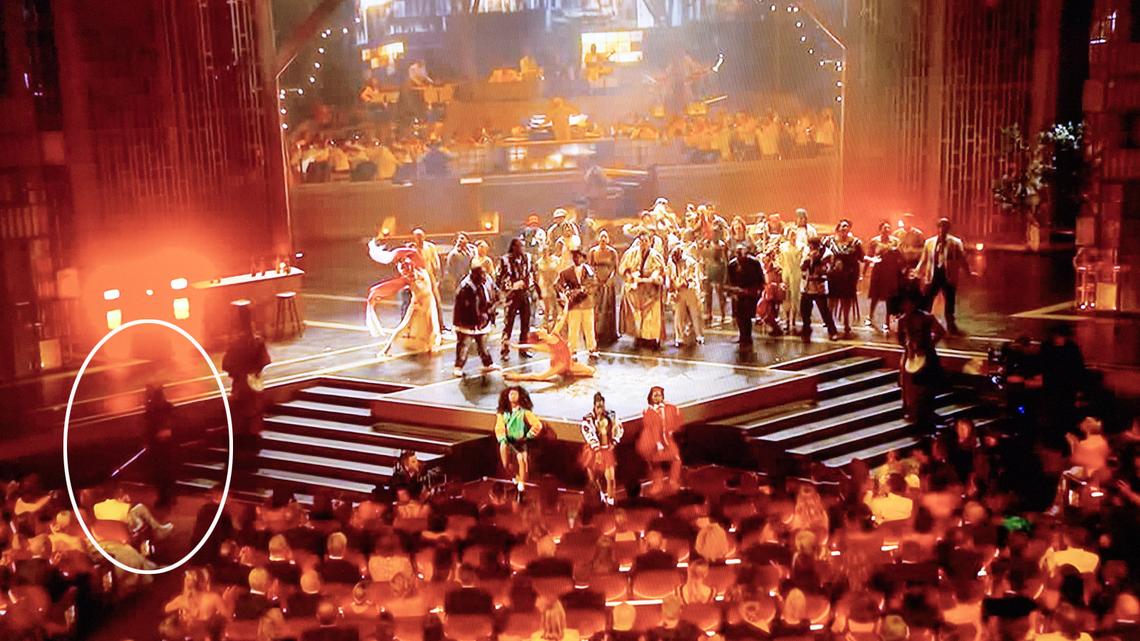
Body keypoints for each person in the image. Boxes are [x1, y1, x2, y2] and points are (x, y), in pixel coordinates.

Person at [366, 242, 441, 356]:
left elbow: (413, 255)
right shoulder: (408, 279)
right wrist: (375, 294)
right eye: (405, 268)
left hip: (429, 303)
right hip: (418, 304)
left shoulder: (422, 270)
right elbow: (389, 286)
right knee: (404, 326)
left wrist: (403, 254)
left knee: (430, 325)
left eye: (408, 265)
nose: (407, 268)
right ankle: (386, 350)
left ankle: (430, 345)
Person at [222, 303, 271, 473]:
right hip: (253, 383)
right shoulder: (257, 342)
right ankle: (251, 457)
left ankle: (240, 459)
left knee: (240, 420)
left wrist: (237, 371)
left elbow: (226, 364)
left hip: (241, 384)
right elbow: (265, 361)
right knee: (253, 417)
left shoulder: (236, 343)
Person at [896, 290, 946, 426]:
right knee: (909, 385)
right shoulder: (902, 320)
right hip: (911, 356)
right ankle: (912, 410)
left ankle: (926, 412)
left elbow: (941, 332)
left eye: (909, 303)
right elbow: (899, 338)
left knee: (927, 385)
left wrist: (929, 344)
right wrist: (908, 347)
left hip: (926, 356)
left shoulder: (926, 318)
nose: (907, 306)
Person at [914, 217, 968, 334]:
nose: (942, 229)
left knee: (949, 300)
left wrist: (968, 271)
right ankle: (925, 322)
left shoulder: (955, 242)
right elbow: (924, 259)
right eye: (941, 226)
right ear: (937, 228)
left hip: (948, 276)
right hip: (933, 275)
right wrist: (917, 272)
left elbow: (962, 259)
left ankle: (950, 324)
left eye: (945, 227)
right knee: (928, 299)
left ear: (948, 229)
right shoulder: (929, 242)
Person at [619, 229, 667, 349]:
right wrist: (630, 276)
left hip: (651, 290)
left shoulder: (655, 255)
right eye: (641, 241)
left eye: (646, 241)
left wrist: (652, 278)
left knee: (651, 316)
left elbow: (660, 271)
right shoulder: (631, 253)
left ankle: (651, 339)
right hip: (636, 290)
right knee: (637, 315)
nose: (643, 243)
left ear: (650, 242)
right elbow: (624, 268)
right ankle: (639, 336)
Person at [452, 260, 498, 378]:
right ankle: (458, 367)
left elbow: (493, 292)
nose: (484, 277)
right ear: (474, 275)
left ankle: (488, 364)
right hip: (467, 323)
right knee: (464, 346)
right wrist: (481, 316)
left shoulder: (487, 280)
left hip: (481, 322)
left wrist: (491, 309)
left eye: (485, 274)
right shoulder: (466, 288)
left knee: (483, 345)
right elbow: (467, 309)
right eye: (481, 275)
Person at [494, 386, 544, 493]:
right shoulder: (502, 413)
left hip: (520, 441)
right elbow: (499, 427)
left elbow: (537, 425)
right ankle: (516, 477)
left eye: (515, 394)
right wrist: (503, 439)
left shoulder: (524, 412)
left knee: (521, 459)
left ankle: (521, 484)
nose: (512, 396)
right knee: (506, 464)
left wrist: (528, 436)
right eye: (510, 394)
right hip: (507, 441)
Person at [579, 393, 623, 505]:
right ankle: (599, 499)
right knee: (593, 480)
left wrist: (614, 441)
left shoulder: (611, 415)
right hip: (593, 452)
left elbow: (619, 428)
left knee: (611, 479)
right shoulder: (587, 419)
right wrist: (596, 449)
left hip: (607, 450)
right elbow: (588, 434)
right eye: (598, 407)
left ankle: (611, 501)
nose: (600, 409)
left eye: (602, 406)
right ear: (594, 406)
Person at [504, 328, 596, 381]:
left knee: (591, 371)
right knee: (540, 377)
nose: (541, 328)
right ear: (540, 336)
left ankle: (568, 373)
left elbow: (562, 317)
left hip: (569, 363)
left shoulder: (555, 333)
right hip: (559, 365)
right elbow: (530, 346)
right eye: (539, 330)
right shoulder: (546, 346)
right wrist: (514, 346)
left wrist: (566, 303)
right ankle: (515, 376)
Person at [499, 238, 538, 360]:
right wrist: (512, 286)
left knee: (525, 322)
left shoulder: (527, 258)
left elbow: (532, 274)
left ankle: (523, 348)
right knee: (508, 322)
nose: (522, 249)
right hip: (512, 294)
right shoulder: (505, 260)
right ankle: (505, 349)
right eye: (520, 246)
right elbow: (499, 278)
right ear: (514, 247)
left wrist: (534, 289)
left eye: (523, 246)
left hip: (524, 293)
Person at [639, 386, 683, 491]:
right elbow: (650, 427)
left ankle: (673, 481)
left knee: (676, 459)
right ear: (650, 397)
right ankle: (657, 484)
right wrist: (658, 443)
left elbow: (678, 419)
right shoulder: (648, 412)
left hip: (667, 439)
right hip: (653, 441)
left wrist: (673, 429)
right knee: (655, 463)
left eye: (659, 395)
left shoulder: (670, 407)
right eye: (655, 395)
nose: (657, 397)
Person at [558, 249, 599, 360]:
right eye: (574, 257)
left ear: (583, 257)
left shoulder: (589, 270)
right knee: (573, 328)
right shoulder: (566, 272)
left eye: (579, 256)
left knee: (589, 327)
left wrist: (585, 290)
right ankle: (572, 351)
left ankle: (592, 349)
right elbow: (560, 284)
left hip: (587, 303)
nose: (576, 259)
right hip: (574, 304)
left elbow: (594, 284)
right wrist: (567, 292)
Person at [826, 219, 864, 336]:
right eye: (842, 226)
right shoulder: (830, 241)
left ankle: (846, 322)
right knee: (832, 299)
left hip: (849, 275)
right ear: (838, 228)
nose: (845, 228)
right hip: (834, 275)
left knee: (846, 299)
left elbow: (861, 257)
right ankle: (830, 321)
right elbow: (823, 255)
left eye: (847, 226)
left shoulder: (855, 243)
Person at [865, 221, 904, 335]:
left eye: (888, 228)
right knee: (875, 296)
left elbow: (900, 256)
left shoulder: (895, 241)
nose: (887, 230)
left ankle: (886, 322)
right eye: (884, 228)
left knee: (889, 298)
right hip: (878, 272)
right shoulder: (875, 241)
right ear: (880, 229)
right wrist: (864, 272)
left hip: (890, 273)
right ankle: (870, 317)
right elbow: (869, 255)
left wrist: (902, 271)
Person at [725, 243, 766, 349]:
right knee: (739, 315)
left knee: (747, 315)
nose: (739, 256)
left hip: (750, 291)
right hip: (738, 292)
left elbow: (760, 278)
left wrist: (758, 290)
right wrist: (732, 292)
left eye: (741, 254)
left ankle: (747, 336)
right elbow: (729, 281)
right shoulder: (732, 265)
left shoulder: (754, 263)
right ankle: (743, 336)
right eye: (737, 254)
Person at [799, 236, 839, 341]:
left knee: (824, 311)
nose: (810, 247)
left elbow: (827, 269)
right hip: (807, 286)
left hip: (819, 286)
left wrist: (816, 261)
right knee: (805, 311)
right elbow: (802, 266)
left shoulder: (827, 254)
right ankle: (806, 331)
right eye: (809, 245)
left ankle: (832, 331)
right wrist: (809, 260)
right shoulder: (807, 252)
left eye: (812, 245)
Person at [143, 383, 176, 509]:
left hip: (160, 448)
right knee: (165, 473)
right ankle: (168, 496)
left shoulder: (153, 410)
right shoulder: (164, 408)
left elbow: (148, 427)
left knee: (162, 473)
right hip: (162, 447)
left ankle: (165, 497)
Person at [587, 230, 621, 346]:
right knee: (596, 308)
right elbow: (590, 267)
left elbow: (616, 268)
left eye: (605, 237)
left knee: (608, 307)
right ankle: (596, 332)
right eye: (601, 237)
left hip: (608, 282)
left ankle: (609, 333)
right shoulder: (593, 251)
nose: (603, 239)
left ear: (608, 239)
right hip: (596, 282)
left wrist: (610, 279)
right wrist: (595, 279)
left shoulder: (612, 252)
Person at [668, 245, 705, 347]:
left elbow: (692, 277)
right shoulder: (671, 263)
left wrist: (683, 283)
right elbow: (670, 277)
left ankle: (699, 336)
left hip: (690, 290)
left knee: (695, 314)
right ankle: (679, 337)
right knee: (678, 315)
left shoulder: (690, 262)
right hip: (678, 290)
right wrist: (672, 290)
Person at [536, 244, 563, 330]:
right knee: (547, 307)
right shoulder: (539, 263)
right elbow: (538, 276)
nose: (544, 253)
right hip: (545, 285)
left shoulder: (555, 260)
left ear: (548, 251)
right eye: (542, 251)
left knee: (556, 306)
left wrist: (557, 281)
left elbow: (560, 271)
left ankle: (555, 326)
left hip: (555, 284)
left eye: (545, 251)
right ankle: (547, 326)